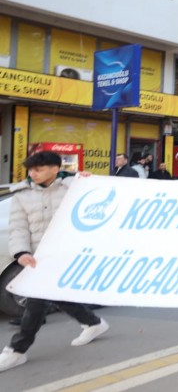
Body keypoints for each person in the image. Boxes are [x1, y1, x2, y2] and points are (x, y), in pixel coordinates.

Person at [0, 152, 109, 372]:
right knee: (52, 296)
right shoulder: (22, 194)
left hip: (66, 253)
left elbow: (103, 203)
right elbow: (18, 227)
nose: (33, 174)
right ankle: (93, 323)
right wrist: (20, 252)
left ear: (54, 168)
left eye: (38, 169)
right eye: (30, 170)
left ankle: (17, 350)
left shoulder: (74, 187)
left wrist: (92, 182)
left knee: (37, 300)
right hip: (39, 256)